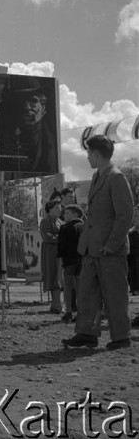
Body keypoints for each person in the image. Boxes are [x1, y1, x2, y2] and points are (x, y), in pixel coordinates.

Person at [63, 135, 134, 350]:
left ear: (96, 153)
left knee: (115, 294)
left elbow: (125, 215)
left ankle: (121, 337)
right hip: (92, 248)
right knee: (87, 294)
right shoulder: (97, 177)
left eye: (88, 153)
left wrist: (112, 244)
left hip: (110, 250)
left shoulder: (116, 178)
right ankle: (86, 333)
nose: (87, 158)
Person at [0, 75, 58, 175]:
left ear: (43, 107)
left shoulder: (50, 141)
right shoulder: (4, 135)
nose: (26, 107)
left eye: (33, 101)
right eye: (21, 101)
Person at [57, 204, 84, 322]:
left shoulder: (65, 228)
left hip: (69, 261)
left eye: (67, 213)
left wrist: (60, 257)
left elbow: (61, 246)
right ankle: (81, 312)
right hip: (83, 260)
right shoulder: (85, 226)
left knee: (68, 287)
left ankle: (69, 311)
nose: (64, 215)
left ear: (75, 214)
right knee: (80, 287)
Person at [40, 200, 63, 313]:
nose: (59, 210)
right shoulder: (45, 221)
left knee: (58, 277)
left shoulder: (60, 221)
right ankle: (57, 305)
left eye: (59, 208)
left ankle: (56, 305)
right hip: (50, 252)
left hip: (59, 252)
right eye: (56, 208)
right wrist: (62, 238)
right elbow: (47, 237)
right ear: (49, 209)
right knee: (53, 276)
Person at [127, 207, 139, 295]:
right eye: (134, 216)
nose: (135, 218)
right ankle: (135, 288)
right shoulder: (130, 231)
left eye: (136, 216)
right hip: (133, 255)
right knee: (133, 270)